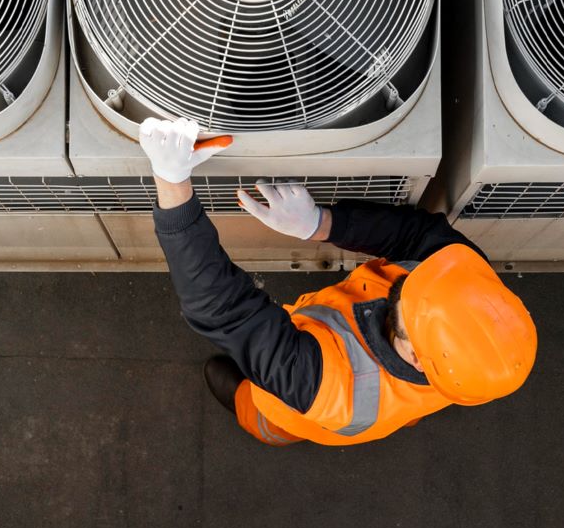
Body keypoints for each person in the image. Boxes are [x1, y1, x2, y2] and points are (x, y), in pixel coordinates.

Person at [141, 117, 537, 446]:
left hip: (296, 408)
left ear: (416, 355)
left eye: (412, 300)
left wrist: (172, 182)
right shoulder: (466, 284)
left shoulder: (332, 389)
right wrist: (320, 224)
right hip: (394, 391)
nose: (410, 277)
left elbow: (222, 310)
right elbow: (416, 237)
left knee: (266, 416)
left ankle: (250, 410)